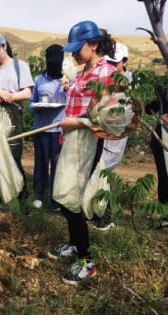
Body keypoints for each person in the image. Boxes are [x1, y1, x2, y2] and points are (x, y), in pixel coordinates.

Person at [48, 20, 117, 285]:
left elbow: (108, 116)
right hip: (72, 138)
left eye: (79, 48)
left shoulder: (105, 72)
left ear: (94, 44)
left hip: (87, 139)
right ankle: (75, 245)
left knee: (69, 197)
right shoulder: (83, 72)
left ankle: (87, 261)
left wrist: (75, 123)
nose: (74, 53)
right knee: (66, 195)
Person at [0, 32, 34, 204]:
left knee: (13, 156)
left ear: (4, 46)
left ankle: (21, 199)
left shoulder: (19, 66)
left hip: (12, 118)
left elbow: (27, 92)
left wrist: (6, 97)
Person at [91, 42, 133, 230]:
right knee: (99, 173)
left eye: (115, 63)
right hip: (102, 134)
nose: (112, 66)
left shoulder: (129, 84)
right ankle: (97, 213)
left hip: (114, 136)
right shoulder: (109, 79)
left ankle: (105, 218)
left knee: (104, 173)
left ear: (124, 62)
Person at [29, 44, 68, 211]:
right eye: (50, 60)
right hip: (41, 129)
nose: (53, 63)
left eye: (56, 60)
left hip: (60, 129)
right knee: (41, 164)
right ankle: (39, 195)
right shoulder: (38, 80)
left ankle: (55, 199)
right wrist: (36, 107)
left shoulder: (68, 80)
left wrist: (68, 88)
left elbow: (75, 102)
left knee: (58, 166)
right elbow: (31, 103)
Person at [145, 86, 168, 204]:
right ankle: (165, 212)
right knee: (164, 174)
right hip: (163, 135)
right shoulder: (162, 86)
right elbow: (149, 108)